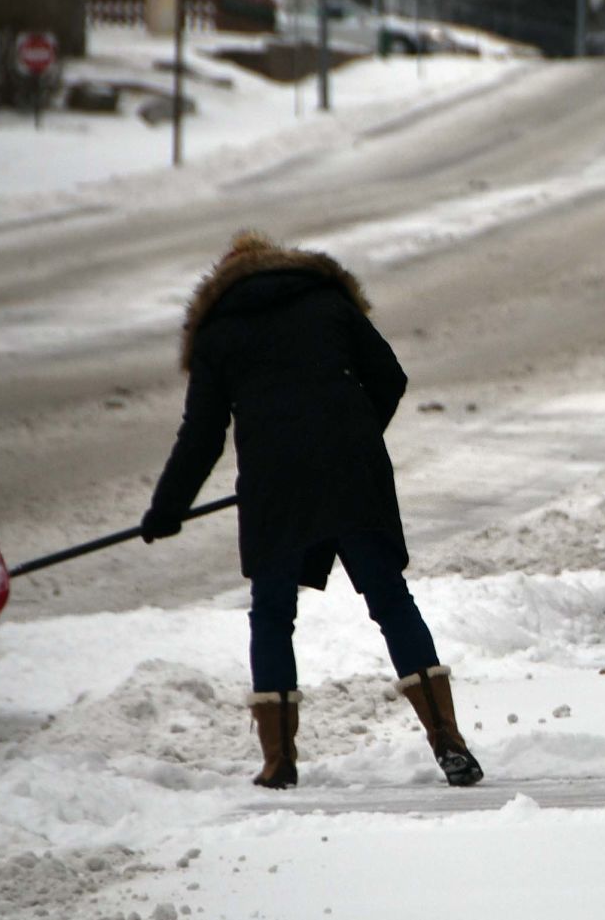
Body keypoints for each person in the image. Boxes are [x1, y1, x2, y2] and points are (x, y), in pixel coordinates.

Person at [142, 231, 484, 788]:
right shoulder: (328, 301)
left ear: (224, 279)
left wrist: (167, 507)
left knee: (273, 616)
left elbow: (202, 433)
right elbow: (390, 377)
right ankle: (448, 739)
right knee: (391, 601)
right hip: (354, 475)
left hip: (274, 488)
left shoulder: (219, 330)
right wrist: (353, 438)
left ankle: (279, 761)